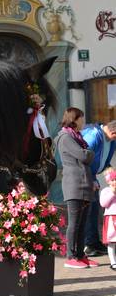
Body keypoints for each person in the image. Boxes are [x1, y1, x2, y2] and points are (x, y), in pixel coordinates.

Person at [54, 108, 97, 269]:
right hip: (74, 185)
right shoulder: (66, 137)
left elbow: (85, 155)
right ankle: (71, 256)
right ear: (74, 119)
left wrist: (88, 153)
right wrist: (89, 152)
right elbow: (84, 156)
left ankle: (80, 255)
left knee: (82, 223)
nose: (83, 122)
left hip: (83, 184)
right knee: (74, 223)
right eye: (81, 119)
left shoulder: (76, 136)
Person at [81, 119, 116, 256]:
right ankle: (88, 245)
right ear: (113, 133)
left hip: (93, 175)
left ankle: (94, 242)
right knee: (89, 210)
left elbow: (105, 162)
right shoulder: (94, 135)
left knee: (95, 209)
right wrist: (90, 180)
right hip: (84, 176)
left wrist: (111, 173)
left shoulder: (111, 141)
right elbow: (82, 159)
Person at [99, 168, 116, 271]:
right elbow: (103, 203)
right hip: (110, 218)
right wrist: (112, 193)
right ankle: (113, 262)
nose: (114, 182)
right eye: (112, 180)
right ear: (108, 181)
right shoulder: (106, 191)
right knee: (111, 242)